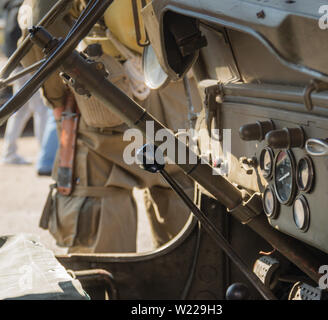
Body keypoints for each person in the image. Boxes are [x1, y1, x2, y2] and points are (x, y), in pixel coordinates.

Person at [20, 0, 201, 253]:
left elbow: (42, 17)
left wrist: (57, 98)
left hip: (104, 93)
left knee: (100, 236)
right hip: (181, 88)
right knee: (191, 224)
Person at [1, 0, 49, 165]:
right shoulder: (25, 5)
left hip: (15, 62)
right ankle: (45, 156)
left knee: (21, 109)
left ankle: (10, 152)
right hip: (25, 62)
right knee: (40, 107)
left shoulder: (11, 5)